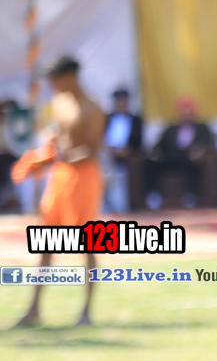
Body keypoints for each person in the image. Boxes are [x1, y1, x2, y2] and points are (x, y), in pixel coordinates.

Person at [10, 56, 105, 328]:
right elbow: (57, 136)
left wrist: (59, 158)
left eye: (56, 79)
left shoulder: (92, 108)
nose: (53, 85)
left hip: (84, 176)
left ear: (71, 76)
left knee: (87, 243)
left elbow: (92, 151)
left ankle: (86, 311)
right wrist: (45, 152)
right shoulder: (59, 103)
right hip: (61, 176)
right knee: (46, 241)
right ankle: (34, 309)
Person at [144, 97, 213, 210]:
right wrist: (155, 152)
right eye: (184, 114)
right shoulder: (171, 129)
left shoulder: (202, 128)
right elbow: (159, 145)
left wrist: (200, 151)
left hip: (188, 157)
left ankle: (190, 196)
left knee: (188, 162)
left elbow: (207, 143)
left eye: (189, 114)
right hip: (170, 157)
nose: (187, 117)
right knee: (149, 163)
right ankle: (153, 196)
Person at [103, 89, 142, 213]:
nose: (121, 104)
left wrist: (127, 150)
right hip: (106, 153)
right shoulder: (106, 118)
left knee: (120, 172)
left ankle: (121, 205)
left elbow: (138, 142)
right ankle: (104, 205)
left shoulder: (135, 120)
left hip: (126, 155)